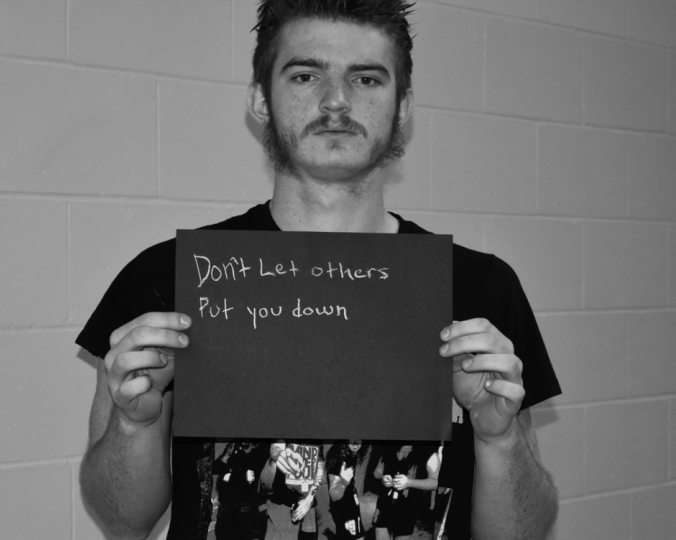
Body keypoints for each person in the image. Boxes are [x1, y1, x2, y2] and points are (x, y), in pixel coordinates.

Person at [76, 1, 562, 539]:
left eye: (367, 78)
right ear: (261, 99)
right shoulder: (165, 280)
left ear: (402, 107)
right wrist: (132, 423)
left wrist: (499, 440)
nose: (336, 101)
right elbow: (120, 518)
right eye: (305, 75)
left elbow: (523, 533)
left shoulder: (481, 288)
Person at [372, 445, 439, 540]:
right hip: (384, 504)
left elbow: (435, 482)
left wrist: (409, 483)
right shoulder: (389, 447)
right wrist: (383, 478)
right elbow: (377, 472)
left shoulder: (428, 452)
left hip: (408, 508)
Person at [261, 440, 325, 539]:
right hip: (281, 507)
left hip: (306, 507)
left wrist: (309, 498)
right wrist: (278, 454)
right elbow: (275, 447)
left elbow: (319, 468)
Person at [212, 440, 270, 539]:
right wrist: (231, 460)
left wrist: (231, 462)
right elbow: (217, 466)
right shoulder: (235, 444)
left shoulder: (262, 446)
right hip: (226, 504)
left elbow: (250, 464)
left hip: (246, 506)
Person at [325, 441, 370, 538]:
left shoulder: (350, 454)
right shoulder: (336, 456)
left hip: (351, 502)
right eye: (352, 440)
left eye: (359, 440)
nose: (356, 444)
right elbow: (334, 495)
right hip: (343, 507)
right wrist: (343, 483)